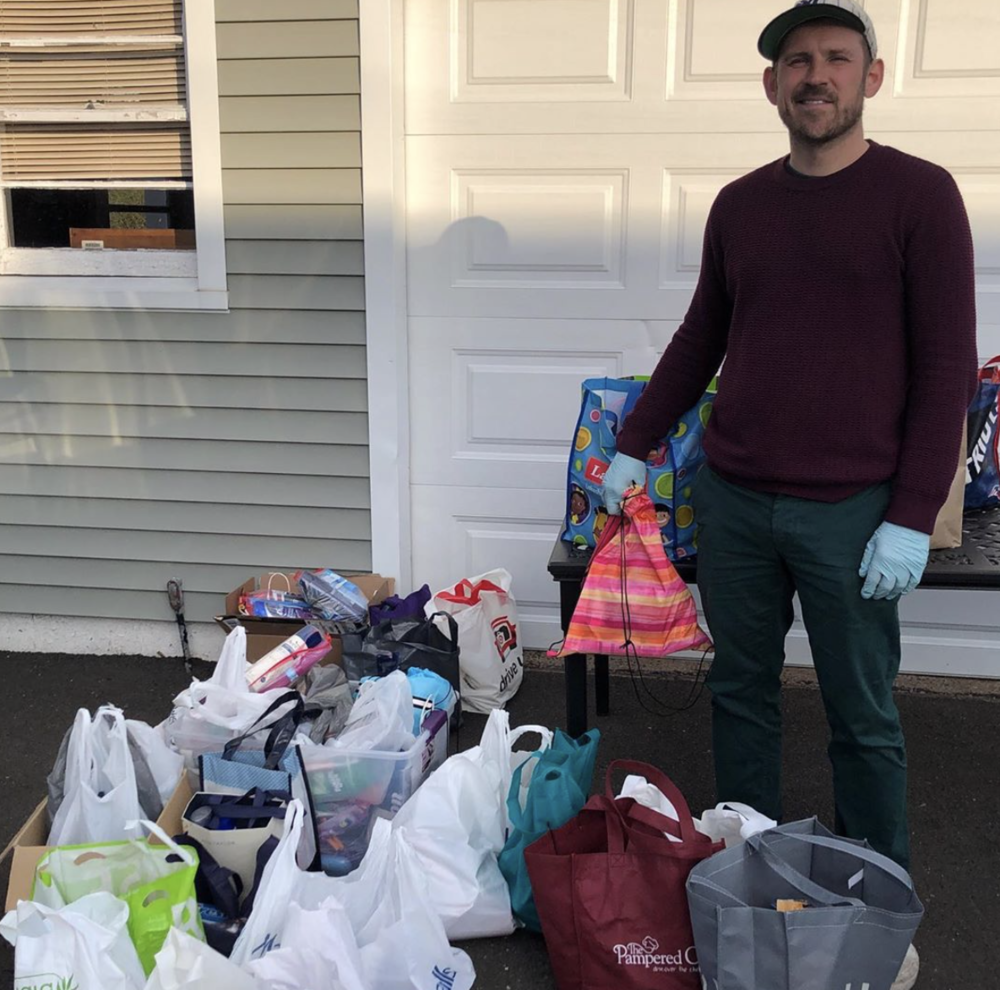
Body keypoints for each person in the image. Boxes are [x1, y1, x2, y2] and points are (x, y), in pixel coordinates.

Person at [602, 3, 977, 988]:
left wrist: (908, 512)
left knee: (861, 710)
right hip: (733, 498)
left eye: (835, 60)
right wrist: (636, 444)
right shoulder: (740, 205)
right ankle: (747, 875)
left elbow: (944, 371)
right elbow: (700, 338)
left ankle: (878, 902)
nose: (815, 76)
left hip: (853, 510)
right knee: (740, 692)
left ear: (871, 78)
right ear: (771, 85)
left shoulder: (919, 197)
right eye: (796, 62)